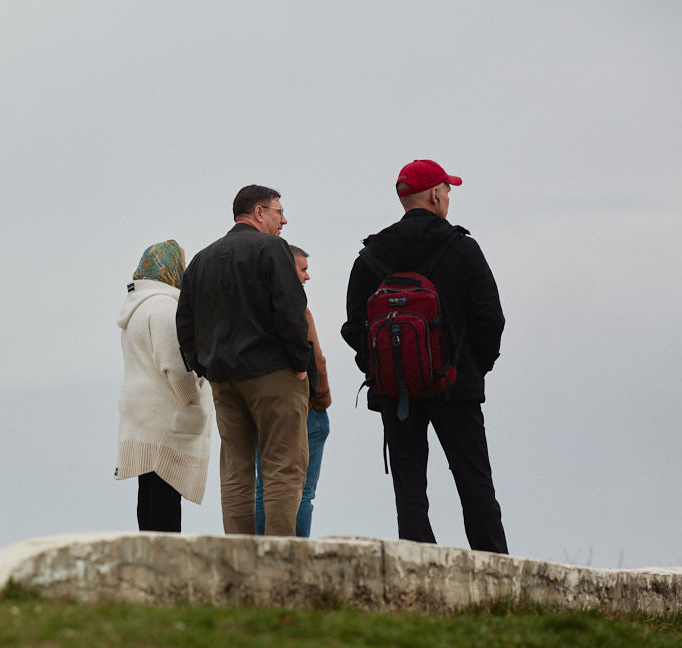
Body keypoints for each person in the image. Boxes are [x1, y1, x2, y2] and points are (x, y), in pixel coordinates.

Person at [341, 159, 508, 553]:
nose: (447, 197)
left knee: (410, 489)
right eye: (446, 190)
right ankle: (495, 568)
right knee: (474, 483)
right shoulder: (463, 248)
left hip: (396, 392)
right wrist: (469, 367)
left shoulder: (370, 256)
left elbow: (353, 327)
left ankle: (418, 566)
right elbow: (490, 319)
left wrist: (382, 369)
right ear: (435, 194)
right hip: (456, 387)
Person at [176, 186, 312, 537]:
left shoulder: (201, 260)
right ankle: (279, 561)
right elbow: (290, 310)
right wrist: (300, 362)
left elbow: (185, 321)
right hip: (273, 373)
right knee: (283, 466)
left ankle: (239, 560)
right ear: (258, 213)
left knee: (236, 470)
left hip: (224, 380)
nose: (284, 219)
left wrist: (202, 365)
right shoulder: (273, 249)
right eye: (279, 212)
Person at [115, 240, 213, 532]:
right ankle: (166, 566)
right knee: (166, 498)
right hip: (165, 417)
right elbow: (173, 362)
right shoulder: (163, 308)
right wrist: (193, 400)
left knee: (148, 494)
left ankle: (148, 562)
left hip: (140, 416)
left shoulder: (136, 309)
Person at [254, 245, 331, 537]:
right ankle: (297, 554)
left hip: (265, 405)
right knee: (303, 491)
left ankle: (262, 550)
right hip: (304, 407)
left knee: (265, 488)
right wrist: (322, 398)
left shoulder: (258, 306)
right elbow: (316, 358)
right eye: (302, 269)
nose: (307, 277)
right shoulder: (299, 308)